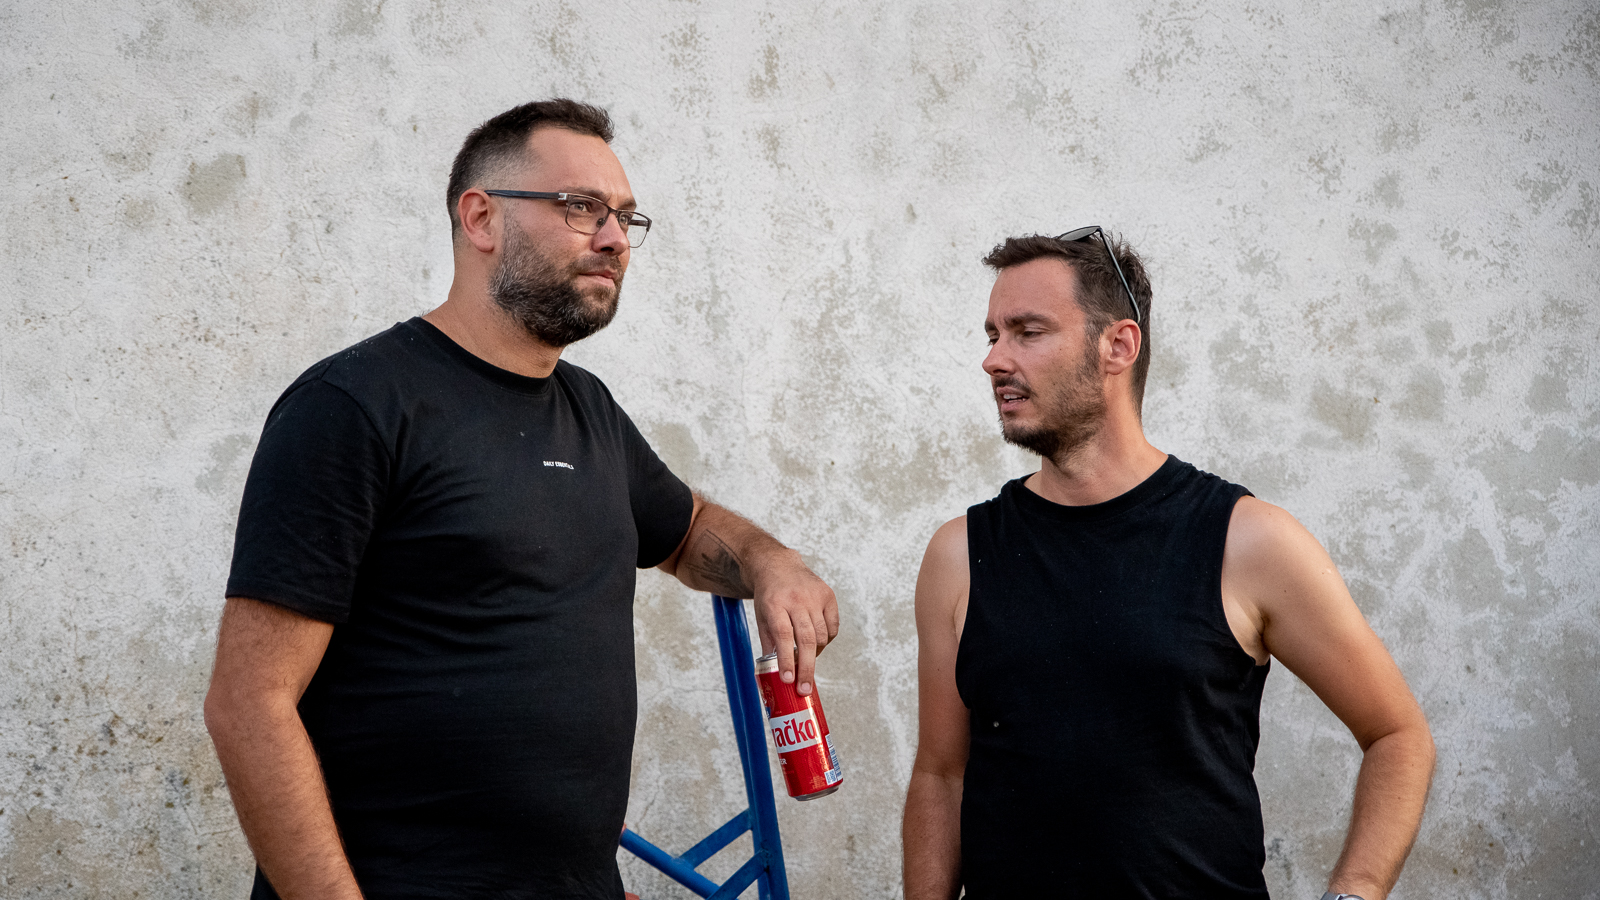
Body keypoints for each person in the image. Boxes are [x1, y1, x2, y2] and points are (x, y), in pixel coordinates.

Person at [204, 99, 839, 900]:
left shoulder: (588, 409)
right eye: (581, 207)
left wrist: (773, 562)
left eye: (625, 217)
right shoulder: (356, 405)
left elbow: (687, 531)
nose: (614, 238)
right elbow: (249, 703)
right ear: (482, 219)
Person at [900, 228, 1435, 900]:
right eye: (992, 335)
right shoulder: (960, 555)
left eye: (1027, 332)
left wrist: (1353, 892)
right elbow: (941, 775)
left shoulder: (1247, 541)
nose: (993, 360)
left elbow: (1397, 736)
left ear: (1118, 345)